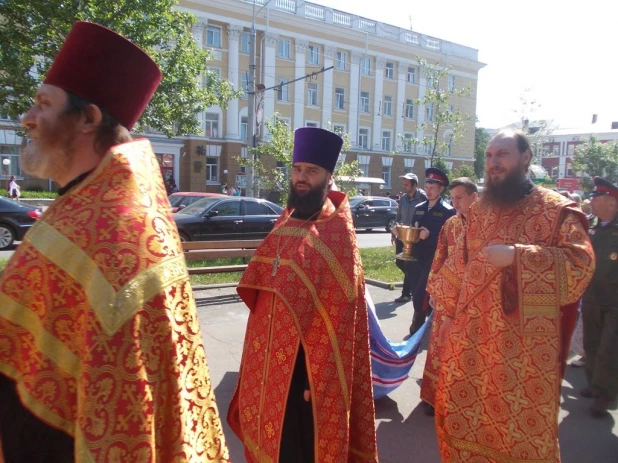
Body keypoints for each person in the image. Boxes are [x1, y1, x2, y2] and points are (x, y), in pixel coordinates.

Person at [0, 22, 229, 462]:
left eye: (44, 103)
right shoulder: (95, 203)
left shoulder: (112, 227)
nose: (27, 117)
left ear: (88, 118)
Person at [434, 129, 595, 462]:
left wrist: (518, 256)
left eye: (502, 154)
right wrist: (447, 315)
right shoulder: (479, 211)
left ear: (526, 157)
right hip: (472, 343)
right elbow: (458, 264)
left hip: (524, 353)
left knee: (520, 437)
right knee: (464, 421)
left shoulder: (556, 210)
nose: (494, 163)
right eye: (490, 156)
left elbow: (580, 266)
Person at [227, 127, 378, 463]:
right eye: (297, 170)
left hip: (306, 371)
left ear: (328, 176)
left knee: (299, 448)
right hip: (270, 361)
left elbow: (340, 314)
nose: (301, 178)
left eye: (311, 171)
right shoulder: (289, 218)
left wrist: (318, 376)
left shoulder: (337, 232)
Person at [421, 177, 478, 416]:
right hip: (447, 297)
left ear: (474, 197)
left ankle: (459, 401)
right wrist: (434, 289)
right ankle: (433, 398)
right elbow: (439, 257)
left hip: (472, 299)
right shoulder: (451, 225)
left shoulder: (486, 225)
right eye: (453, 198)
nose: (455, 203)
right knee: (439, 345)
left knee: (464, 350)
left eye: (459, 198)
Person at [581, 177, 618, 417]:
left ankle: (606, 393)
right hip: (592, 296)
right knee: (591, 343)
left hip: (614, 300)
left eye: (596, 199)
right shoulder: (593, 227)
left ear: (611, 202)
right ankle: (595, 384)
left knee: (609, 347)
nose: (591, 203)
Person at [407, 168, 456, 335]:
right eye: (426, 187)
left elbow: (450, 239)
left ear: (441, 189)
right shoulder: (420, 207)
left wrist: (430, 235)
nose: (428, 191)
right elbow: (413, 228)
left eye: (432, 188)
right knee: (416, 292)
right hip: (416, 257)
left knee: (421, 293)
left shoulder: (447, 211)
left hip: (434, 258)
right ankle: (426, 321)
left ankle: (416, 328)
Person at [391, 173, 427, 303]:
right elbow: (398, 216)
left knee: (408, 264)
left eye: (407, 184)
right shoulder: (403, 198)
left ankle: (406, 293)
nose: (404, 186)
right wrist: (393, 234)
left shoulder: (422, 197)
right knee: (400, 262)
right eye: (404, 184)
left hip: (414, 238)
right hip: (401, 235)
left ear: (415, 185)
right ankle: (414, 282)